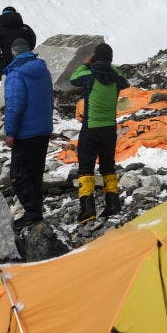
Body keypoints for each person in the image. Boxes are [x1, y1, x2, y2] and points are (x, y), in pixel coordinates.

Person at [69, 43, 129, 222]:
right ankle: (113, 204)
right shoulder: (116, 78)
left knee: (86, 167)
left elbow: (73, 78)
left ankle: (88, 210)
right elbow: (125, 80)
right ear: (110, 59)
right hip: (110, 128)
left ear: (95, 57)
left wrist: (86, 63)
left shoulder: (89, 76)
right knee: (108, 166)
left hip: (91, 128)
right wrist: (110, 65)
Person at [3, 37, 54, 229]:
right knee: (35, 172)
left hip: (25, 132)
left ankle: (32, 213)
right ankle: (36, 212)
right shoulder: (43, 70)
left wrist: (10, 132)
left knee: (18, 174)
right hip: (43, 129)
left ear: (14, 52)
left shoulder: (16, 74)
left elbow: (14, 107)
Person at [0, 6, 37, 81]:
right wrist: (26, 51)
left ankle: (4, 78)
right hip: (27, 59)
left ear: (2, 15)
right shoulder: (26, 28)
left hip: (7, 61)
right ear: (15, 13)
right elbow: (33, 41)